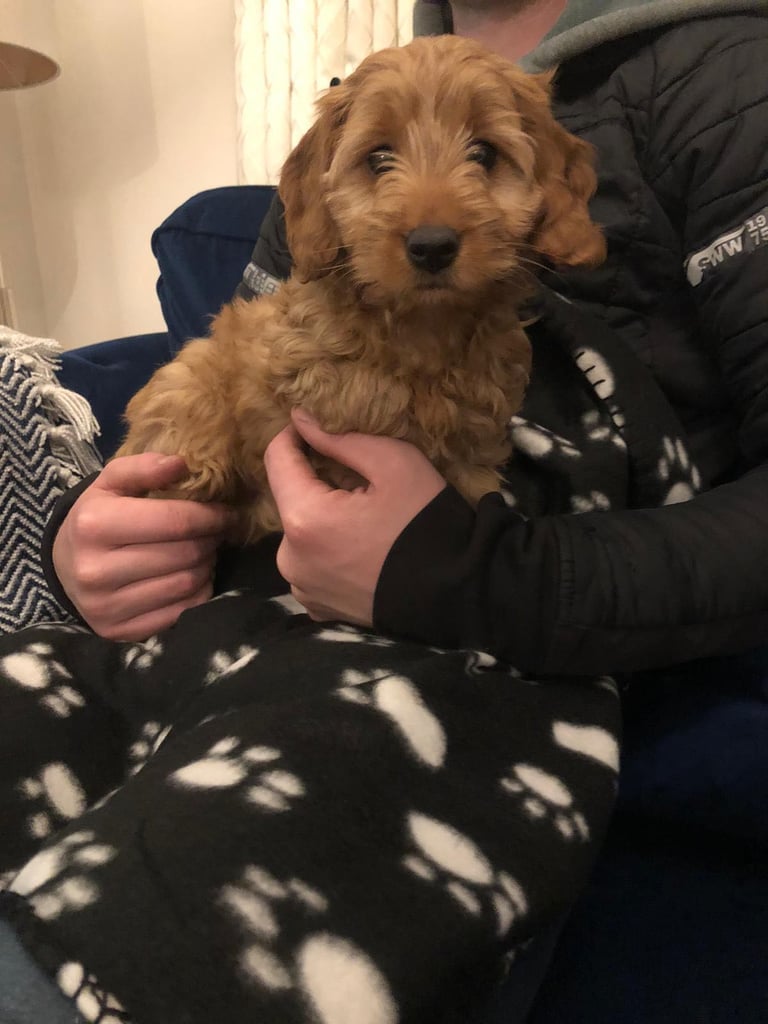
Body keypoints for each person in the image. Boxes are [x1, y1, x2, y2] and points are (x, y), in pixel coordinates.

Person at [1, 1, 766, 1022]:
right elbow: (240, 359)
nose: (430, 209)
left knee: (211, 875)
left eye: (486, 157)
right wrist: (90, 537)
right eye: (380, 161)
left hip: (518, 612)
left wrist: (474, 574)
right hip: (243, 596)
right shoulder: (353, 102)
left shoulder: (729, 72)